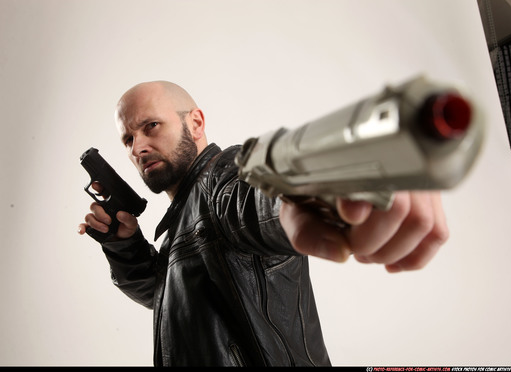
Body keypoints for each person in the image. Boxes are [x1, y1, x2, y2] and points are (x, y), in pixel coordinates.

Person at [78, 80, 449, 366]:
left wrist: (331, 182)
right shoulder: (180, 222)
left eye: (151, 126)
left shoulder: (225, 181)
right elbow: (170, 300)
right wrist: (123, 244)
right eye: (128, 138)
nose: (138, 146)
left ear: (195, 123)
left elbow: (261, 202)